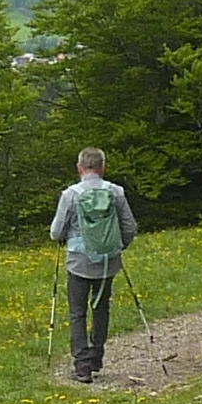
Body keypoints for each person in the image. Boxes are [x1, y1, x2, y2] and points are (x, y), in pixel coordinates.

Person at [49, 147, 138, 384]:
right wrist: (117, 247)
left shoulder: (71, 195)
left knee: (77, 313)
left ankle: (82, 366)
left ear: (79, 168)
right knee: (101, 308)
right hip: (108, 261)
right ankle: (97, 356)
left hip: (78, 260)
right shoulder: (116, 192)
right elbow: (130, 227)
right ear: (103, 167)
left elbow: (56, 232)